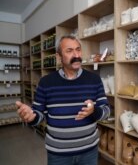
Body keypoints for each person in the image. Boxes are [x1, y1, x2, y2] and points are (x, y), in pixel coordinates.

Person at [16, 35, 110, 165]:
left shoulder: (94, 79)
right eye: (69, 51)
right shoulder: (46, 82)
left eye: (78, 49)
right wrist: (32, 118)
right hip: (58, 154)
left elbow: (106, 111)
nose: (76, 55)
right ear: (59, 57)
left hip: (88, 151)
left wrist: (94, 111)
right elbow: (39, 114)